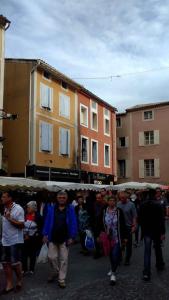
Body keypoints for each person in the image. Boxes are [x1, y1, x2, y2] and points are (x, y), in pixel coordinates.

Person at [43, 191, 77, 288]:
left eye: (63, 197)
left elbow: (73, 222)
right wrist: (45, 234)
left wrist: (72, 236)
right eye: (60, 197)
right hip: (52, 237)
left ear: (66, 198)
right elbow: (47, 221)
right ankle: (56, 271)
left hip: (65, 238)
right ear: (57, 198)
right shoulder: (51, 208)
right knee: (51, 257)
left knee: (64, 259)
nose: (61, 199)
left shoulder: (70, 209)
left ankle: (61, 279)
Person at [0, 191, 24, 294]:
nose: (2, 198)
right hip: (5, 240)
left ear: (10, 198)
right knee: (5, 263)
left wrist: (10, 219)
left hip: (15, 240)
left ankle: (19, 281)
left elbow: (22, 225)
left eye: (4, 197)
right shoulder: (4, 208)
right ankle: (9, 284)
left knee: (15, 264)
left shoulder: (18, 208)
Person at [139, 190, 165, 281]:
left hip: (147, 231)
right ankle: (160, 264)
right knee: (157, 248)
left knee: (147, 252)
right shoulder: (158, 205)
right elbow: (162, 220)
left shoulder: (142, 205)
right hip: (156, 231)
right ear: (154, 195)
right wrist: (163, 232)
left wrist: (143, 230)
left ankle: (146, 272)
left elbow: (140, 220)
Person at [103, 196, 127, 285]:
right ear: (107, 201)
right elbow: (100, 222)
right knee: (110, 254)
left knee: (115, 254)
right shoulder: (104, 211)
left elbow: (123, 224)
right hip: (108, 237)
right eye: (110, 200)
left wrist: (125, 237)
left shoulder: (119, 211)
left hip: (117, 236)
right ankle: (113, 267)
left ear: (115, 202)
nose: (112, 202)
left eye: (113, 201)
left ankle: (113, 274)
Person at [22, 201, 43, 275]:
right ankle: (24, 269)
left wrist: (35, 235)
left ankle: (31, 269)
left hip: (34, 239)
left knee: (32, 254)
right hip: (24, 238)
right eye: (27, 207)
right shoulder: (24, 215)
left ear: (33, 208)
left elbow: (40, 228)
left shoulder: (38, 216)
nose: (27, 208)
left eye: (28, 207)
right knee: (24, 254)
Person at [117, 191, 137, 265]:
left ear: (126, 197)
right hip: (120, 227)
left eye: (123, 198)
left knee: (128, 244)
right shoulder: (118, 204)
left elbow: (134, 216)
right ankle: (119, 257)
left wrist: (134, 226)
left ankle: (127, 259)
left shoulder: (131, 205)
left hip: (128, 227)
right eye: (121, 198)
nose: (122, 199)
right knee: (120, 243)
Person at [91, 192, 105, 259]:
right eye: (96, 198)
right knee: (96, 238)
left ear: (102, 198)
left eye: (99, 198)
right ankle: (98, 252)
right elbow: (91, 214)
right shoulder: (93, 205)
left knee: (102, 238)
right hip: (95, 224)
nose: (98, 199)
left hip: (102, 224)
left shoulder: (104, 205)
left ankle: (103, 250)